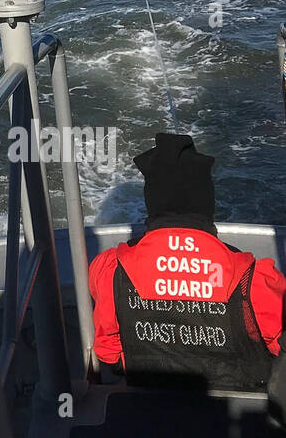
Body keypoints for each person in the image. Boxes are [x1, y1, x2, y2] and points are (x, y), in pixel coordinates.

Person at [89, 134, 284, 388]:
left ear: (152, 202)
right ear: (206, 202)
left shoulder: (110, 269)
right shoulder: (253, 277)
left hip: (148, 405)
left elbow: (108, 353)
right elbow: (279, 344)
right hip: (237, 407)